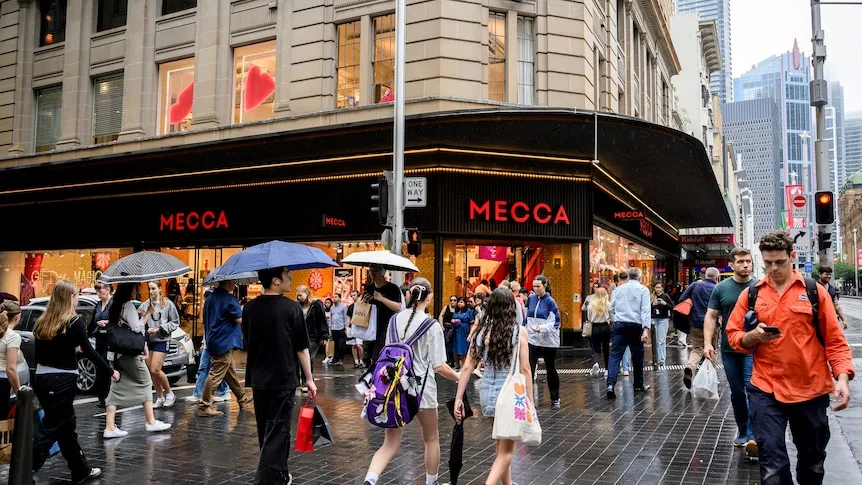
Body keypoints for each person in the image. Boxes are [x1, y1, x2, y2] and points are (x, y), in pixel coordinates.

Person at [726, 231, 854, 485]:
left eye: (779, 262)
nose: (773, 268)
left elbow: (835, 340)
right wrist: (753, 337)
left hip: (810, 389)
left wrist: (842, 378)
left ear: (792, 257)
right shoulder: (752, 294)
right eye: (768, 263)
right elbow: (733, 336)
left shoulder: (813, 291)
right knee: (772, 465)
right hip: (766, 389)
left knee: (812, 462)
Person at [362, 278, 459, 485]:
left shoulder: (394, 321)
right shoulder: (432, 326)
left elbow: (387, 353)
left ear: (408, 295)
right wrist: (460, 377)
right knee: (431, 438)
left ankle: (370, 479)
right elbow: (439, 366)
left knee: (390, 443)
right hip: (421, 391)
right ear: (430, 298)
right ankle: (431, 482)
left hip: (393, 389)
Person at [32, 280, 119, 482]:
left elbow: (38, 356)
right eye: (76, 295)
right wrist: (109, 371)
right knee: (53, 425)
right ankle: (27, 464)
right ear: (69, 298)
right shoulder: (73, 322)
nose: (78, 298)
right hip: (62, 380)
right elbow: (89, 350)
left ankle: (80, 469)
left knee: (66, 426)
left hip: (43, 378)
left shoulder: (42, 321)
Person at [244, 267, 317, 485]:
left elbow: (247, 342)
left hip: (258, 376)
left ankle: (280, 474)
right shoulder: (292, 308)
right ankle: (266, 479)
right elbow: (302, 348)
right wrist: (310, 379)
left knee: (266, 428)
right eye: (287, 275)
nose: (291, 278)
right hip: (283, 376)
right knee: (279, 430)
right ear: (275, 280)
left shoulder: (249, 308)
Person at [454, 287, 530, 485]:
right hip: (510, 394)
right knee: (506, 451)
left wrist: (459, 398)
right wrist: (529, 400)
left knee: (500, 445)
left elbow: (467, 367)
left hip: (487, 392)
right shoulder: (518, 332)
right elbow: (526, 369)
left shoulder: (480, 332)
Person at [703, 247, 757, 456]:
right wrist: (708, 343)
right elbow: (711, 316)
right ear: (732, 264)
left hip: (753, 349)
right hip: (728, 348)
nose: (745, 265)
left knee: (752, 388)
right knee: (736, 393)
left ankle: (753, 434)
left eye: (748, 261)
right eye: (741, 261)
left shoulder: (759, 287)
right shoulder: (721, 288)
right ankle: (743, 429)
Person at [103, 283, 172, 438]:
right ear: (130, 290)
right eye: (135, 288)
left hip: (115, 353)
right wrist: (147, 313)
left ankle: (109, 426)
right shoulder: (127, 306)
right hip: (127, 353)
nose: (137, 291)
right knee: (146, 380)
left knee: (116, 386)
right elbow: (136, 328)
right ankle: (151, 421)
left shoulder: (114, 304)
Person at [198, 280, 252, 417]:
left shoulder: (209, 298)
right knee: (216, 373)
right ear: (227, 283)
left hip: (213, 340)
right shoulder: (229, 299)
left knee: (229, 371)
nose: (234, 285)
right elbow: (239, 319)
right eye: (233, 282)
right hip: (224, 341)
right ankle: (204, 405)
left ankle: (242, 398)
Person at [606, 267, 651, 399]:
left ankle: (610, 384)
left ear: (628, 276)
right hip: (636, 326)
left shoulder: (618, 290)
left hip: (620, 325)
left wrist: (621, 314)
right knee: (637, 356)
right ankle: (638, 384)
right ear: (639, 277)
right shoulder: (643, 290)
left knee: (615, 355)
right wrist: (646, 329)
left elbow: (612, 308)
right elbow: (645, 310)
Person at [138, 281, 180, 408]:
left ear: (160, 289)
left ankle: (169, 393)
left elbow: (175, 322)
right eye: (149, 289)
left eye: (153, 288)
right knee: (152, 372)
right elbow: (139, 322)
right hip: (149, 341)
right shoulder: (145, 305)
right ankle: (160, 397)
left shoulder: (168, 304)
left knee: (155, 369)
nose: (151, 291)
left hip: (162, 339)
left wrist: (159, 329)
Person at [524, 275, 562, 409]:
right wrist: (524, 331)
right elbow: (526, 318)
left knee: (550, 368)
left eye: (538, 286)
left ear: (544, 286)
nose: (535, 289)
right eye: (533, 286)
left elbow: (556, 322)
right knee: (529, 367)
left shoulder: (551, 302)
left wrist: (542, 328)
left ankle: (555, 397)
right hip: (532, 339)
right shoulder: (530, 299)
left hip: (548, 341)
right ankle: (527, 397)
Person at [679, 267, 720, 389]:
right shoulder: (717, 288)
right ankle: (711, 376)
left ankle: (690, 367)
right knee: (712, 349)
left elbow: (682, 299)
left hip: (696, 323)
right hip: (712, 325)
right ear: (716, 278)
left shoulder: (695, 285)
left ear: (705, 276)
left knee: (697, 349)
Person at [366, 265, 402, 365]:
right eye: (371, 270)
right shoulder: (369, 288)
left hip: (386, 327)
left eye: (376, 271)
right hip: (370, 329)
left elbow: (398, 307)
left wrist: (382, 298)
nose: (373, 273)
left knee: (379, 357)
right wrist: (365, 300)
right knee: (370, 358)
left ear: (382, 272)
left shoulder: (393, 288)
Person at [296, 285, 329, 392]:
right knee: (302, 358)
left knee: (308, 357)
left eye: (300, 295)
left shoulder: (316, 304)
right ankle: (304, 381)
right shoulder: (297, 306)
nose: (298, 297)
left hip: (313, 335)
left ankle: (308, 381)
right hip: (301, 335)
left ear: (307, 293)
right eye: (297, 295)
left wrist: (324, 335)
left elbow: (322, 320)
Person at [88, 283, 113, 408]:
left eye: (101, 291)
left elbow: (117, 321)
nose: (99, 294)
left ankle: (109, 397)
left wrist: (107, 322)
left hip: (110, 340)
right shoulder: (98, 305)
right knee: (100, 366)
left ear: (108, 290)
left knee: (108, 367)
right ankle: (102, 397)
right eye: (97, 292)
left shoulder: (113, 304)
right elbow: (92, 322)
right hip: (99, 339)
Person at [0, 301, 23, 418]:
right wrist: (18, 391)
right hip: (2, 382)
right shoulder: (13, 336)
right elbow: (11, 369)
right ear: (17, 317)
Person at [587, 287, 612, 378]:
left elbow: (589, 318)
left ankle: (596, 362)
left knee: (596, 347)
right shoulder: (608, 304)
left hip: (595, 327)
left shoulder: (591, 305)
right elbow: (612, 317)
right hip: (605, 326)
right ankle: (607, 369)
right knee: (606, 348)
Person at [651, 282, 673, 366]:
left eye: (659, 287)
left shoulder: (665, 296)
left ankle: (661, 359)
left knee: (661, 340)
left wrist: (665, 303)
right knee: (655, 340)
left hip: (663, 319)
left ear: (662, 288)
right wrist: (653, 304)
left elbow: (672, 307)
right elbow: (647, 308)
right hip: (654, 319)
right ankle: (656, 358)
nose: (658, 289)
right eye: (656, 287)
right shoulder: (652, 297)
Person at [451, 297, 474, 370]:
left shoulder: (468, 311)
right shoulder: (456, 311)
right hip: (456, 331)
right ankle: (457, 364)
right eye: (459, 302)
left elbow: (472, 323)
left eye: (461, 302)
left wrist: (471, 333)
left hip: (465, 332)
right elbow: (452, 319)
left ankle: (463, 365)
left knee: (463, 348)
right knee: (455, 348)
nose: (459, 303)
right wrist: (453, 321)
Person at [327, 293, 349, 366]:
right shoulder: (332, 308)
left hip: (341, 328)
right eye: (333, 297)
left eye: (336, 297)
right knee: (335, 344)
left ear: (339, 298)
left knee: (341, 344)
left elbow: (345, 317)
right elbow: (330, 318)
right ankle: (335, 359)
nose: (334, 298)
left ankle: (340, 359)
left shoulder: (343, 307)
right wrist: (330, 328)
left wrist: (346, 327)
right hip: (334, 328)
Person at [346, 289, 366, 369]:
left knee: (359, 345)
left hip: (360, 327)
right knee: (353, 345)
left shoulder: (362, 305)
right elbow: (348, 317)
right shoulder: (350, 307)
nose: (353, 297)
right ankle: (356, 361)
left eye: (354, 295)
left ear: (358, 296)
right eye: (352, 295)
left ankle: (361, 360)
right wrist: (347, 327)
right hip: (352, 327)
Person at [438, 295, 457, 365]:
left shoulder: (458, 309)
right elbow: (441, 316)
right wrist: (441, 325)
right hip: (447, 328)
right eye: (451, 300)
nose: (453, 302)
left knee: (453, 345)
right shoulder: (446, 307)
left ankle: (453, 361)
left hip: (455, 329)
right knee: (446, 344)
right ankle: (447, 360)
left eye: (454, 300)